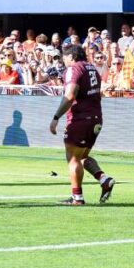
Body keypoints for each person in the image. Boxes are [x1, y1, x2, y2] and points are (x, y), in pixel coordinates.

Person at [49, 44, 116, 205]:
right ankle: (104, 179)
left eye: (64, 57)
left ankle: (77, 197)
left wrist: (56, 116)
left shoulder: (74, 69)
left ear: (71, 57)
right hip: (96, 118)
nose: (63, 60)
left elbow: (70, 95)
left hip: (80, 118)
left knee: (73, 158)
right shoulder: (91, 68)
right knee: (82, 156)